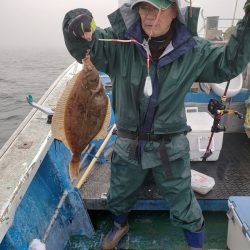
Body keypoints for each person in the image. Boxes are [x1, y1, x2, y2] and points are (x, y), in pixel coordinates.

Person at [62, 0, 250, 249]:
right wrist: (77, 23)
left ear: (175, 11)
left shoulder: (194, 50)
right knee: (118, 194)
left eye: (159, 8)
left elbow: (229, 61)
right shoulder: (117, 43)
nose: (150, 16)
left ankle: (196, 244)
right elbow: (85, 45)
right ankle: (120, 225)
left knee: (184, 203)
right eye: (144, 8)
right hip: (128, 145)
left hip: (169, 147)